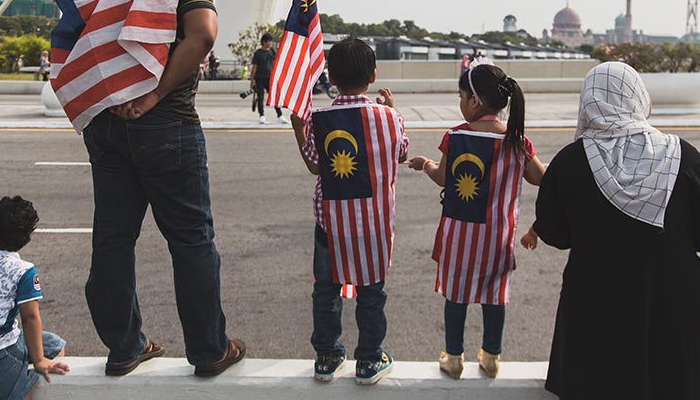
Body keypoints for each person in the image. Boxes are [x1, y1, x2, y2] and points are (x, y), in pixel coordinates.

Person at [52, 0, 244, 377]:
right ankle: (208, 350)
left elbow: (74, 50)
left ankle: (125, 346)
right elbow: (202, 34)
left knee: (113, 240)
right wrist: (154, 95)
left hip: (105, 127)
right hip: (166, 124)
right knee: (191, 240)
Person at [532, 61, 700, 400]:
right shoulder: (684, 156)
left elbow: (554, 233)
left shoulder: (570, 162)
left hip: (594, 313)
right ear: (638, 97)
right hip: (672, 308)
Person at [408, 63, 544, 379]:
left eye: (461, 95)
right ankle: (491, 356)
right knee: (494, 297)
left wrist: (426, 164)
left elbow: (443, 178)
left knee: (456, 296)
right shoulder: (517, 142)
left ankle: (454, 357)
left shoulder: (455, 137)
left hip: (459, 237)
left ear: (474, 101)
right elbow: (539, 177)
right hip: (498, 238)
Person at [290, 37, 409, 385]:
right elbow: (401, 153)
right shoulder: (389, 118)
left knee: (325, 288)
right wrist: (393, 107)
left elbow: (315, 165)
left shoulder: (321, 119)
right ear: (372, 76)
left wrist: (299, 126)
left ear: (332, 76)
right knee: (372, 290)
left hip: (331, 223)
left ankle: (327, 355)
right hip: (374, 223)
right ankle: (369, 359)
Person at [0, 196, 69, 400]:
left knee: (54, 344)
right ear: (25, 239)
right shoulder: (24, 270)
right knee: (23, 395)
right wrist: (40, 359)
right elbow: (30, 318)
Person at [250, 33, 288, 124]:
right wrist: (252, 80)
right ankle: (262, 115)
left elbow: (276, 62)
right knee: (260, 97)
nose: (271, 43)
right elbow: (254, 67)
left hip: (270, 78)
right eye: (269, 41)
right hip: (259, 78)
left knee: (274, 97)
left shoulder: (271, 51)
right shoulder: (258, 53)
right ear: (264, 42)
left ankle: (279, 115)